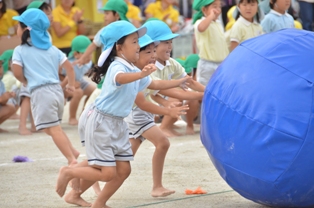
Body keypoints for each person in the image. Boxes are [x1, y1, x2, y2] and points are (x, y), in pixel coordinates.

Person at [55, 20, 191, 208]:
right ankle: (69, 172)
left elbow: (156, 84)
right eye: (135, 42)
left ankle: (98, 202)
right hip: (101, 121)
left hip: (117, 123)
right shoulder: (118, 66)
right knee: (107, 172)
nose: (139, 46)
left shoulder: (134, 69)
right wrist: (142, 75)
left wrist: (179, 81)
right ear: (119, 48)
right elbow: (121, 79)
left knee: (123, 169)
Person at [11, 9, 80, 180]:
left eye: (18, 25)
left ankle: (72, 160)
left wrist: (25, 80)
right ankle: (73, 151)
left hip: (41, 93)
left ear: (25, 30)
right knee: (50, 127)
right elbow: (69, 68)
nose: (16, 28)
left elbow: (17, 72)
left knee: (53, 128)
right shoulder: (52, 49)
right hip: (56, 91)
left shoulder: (20, 50)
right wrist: (70, 85)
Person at [143, 20, 205, 137]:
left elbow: (189, 81)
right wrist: (204, 95)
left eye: (171, 42)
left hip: (156, 105)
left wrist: (207, 90)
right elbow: (173, 92)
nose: (170, 46)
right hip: (143, 110)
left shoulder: (171, 63)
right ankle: (164, 127)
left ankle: (167, 126)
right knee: (175, 100)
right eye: (166, 43)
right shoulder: (148, 67)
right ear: (152, 46)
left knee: (161, 144)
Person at [76, 0, 129, 107]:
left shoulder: (112, 30)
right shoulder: (128, 29)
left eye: (107, 13)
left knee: (98, 99)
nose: (104, 16)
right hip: (111, 71)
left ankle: (87, 118)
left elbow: (93, 45)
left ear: (117, 14)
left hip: (117, 71)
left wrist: (82, 59)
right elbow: (93, 45)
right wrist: (82, 59)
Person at [59, 35, 95, 125]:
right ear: (76, 54)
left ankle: (84, 114)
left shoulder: (88, 62)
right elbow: (59, 74)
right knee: (78, 92)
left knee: (94, 92)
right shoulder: (69, 63)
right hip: (64, 83)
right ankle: (72, 117)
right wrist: (72, 82)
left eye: (90, 53)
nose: (89, 56)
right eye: (85, 54)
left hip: (79, 81)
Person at [193, 0, 229, 86]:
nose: (218, 10)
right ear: (204, 10)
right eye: (214, 7)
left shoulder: (218, 23)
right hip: (207, 65)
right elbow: (201, 28)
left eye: (219, 6)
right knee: (205, 90)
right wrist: (211, 16)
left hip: (221, 63)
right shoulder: (200, 22)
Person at [0, 54, 18, 133]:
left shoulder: (1, 83)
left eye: (0, 67)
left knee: (10, 107)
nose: (0, 70)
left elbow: (3, 103)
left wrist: (6, 97)